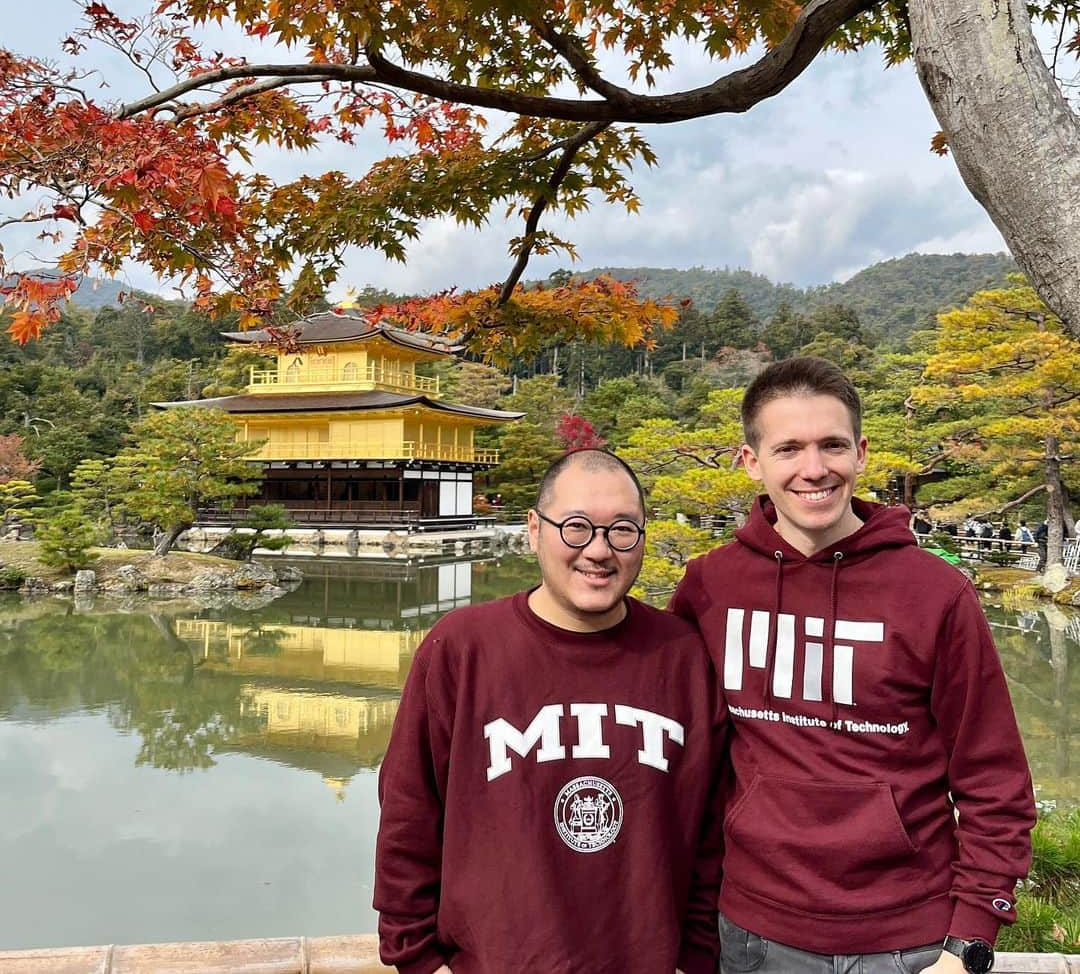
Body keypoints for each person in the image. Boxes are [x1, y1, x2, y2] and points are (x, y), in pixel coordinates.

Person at [671, 356, 1035, 974]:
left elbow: (993, 780)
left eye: (832, 445)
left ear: (861, 453)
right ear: (751, 462)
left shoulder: (935, 593)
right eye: (788, 448)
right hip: (755, 931)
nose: (814, 469)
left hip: (909, 938)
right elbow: (684, 759)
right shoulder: (710, 587)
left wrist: (971, 937)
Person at [375, 448, 723, 974]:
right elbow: (408, 813)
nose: (599, 551)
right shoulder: (463, 648)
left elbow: (713, 833)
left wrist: (695, 957)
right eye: (577, 527)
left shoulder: (683, 657)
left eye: (622, 530)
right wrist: (418, 959)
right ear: (535, 529)